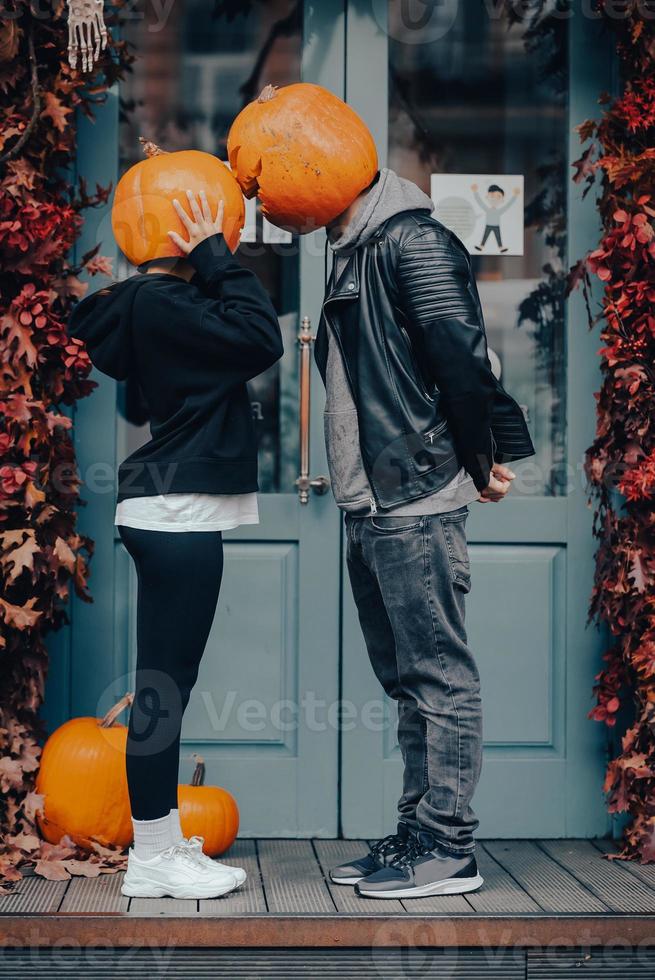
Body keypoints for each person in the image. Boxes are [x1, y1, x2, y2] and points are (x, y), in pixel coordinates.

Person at [315, 167, 534, 900]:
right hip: (368, 499)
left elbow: (461, 356)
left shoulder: (410, 240)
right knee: (408, 679)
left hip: (412, 493)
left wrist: (479, 457)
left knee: (439, 674)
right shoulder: (350, 245)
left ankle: (448, 846)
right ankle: (417, 832)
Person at [69, 190, 283, 899]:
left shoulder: (149, 309)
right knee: (164, 691)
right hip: (178, 511)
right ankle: (152, 858)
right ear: (180, 238)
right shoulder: (167, 304)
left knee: (163, 688)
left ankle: (158, 846)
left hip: (167, 508)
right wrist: (214, 255)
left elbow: (152, 391)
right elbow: (260, 336)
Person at [472, 182, 520, 253]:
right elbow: (480, 202)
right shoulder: (487, 209)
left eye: (498, 197)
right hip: (488, 225)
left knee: (498, 237)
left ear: (502, 200)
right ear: (487, 197)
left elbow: (508, 205)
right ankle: (481, 246)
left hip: (496, 226)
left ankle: (500, 248)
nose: (494, 199)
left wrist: (515, 196)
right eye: (491, 196)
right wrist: (475, 192)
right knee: (485, 236)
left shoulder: (499, 211)